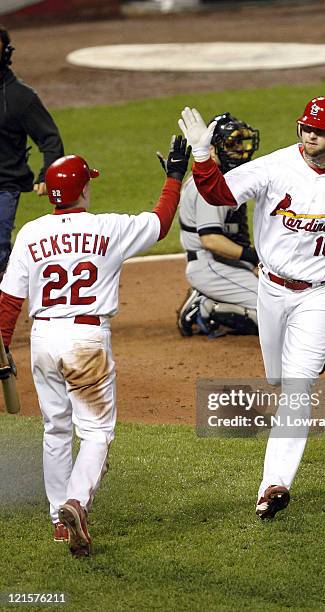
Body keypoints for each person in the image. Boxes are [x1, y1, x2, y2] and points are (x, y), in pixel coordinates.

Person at [178, 99, 325, 519]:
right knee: (279, 381)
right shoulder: (274, 167)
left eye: (319, 129)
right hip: (270, 289)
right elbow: (217, 192)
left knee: (298, 391)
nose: (310, 134)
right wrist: (202, 155)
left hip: (319, 295)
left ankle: (273, 485)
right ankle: (300, 372)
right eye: (305, 127)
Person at [0, 135, 191, 556]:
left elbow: (10, 301)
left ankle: (58, 522)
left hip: (43, 340)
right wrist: (175, 176)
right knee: (98, 433)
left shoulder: (31, 233)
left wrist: (1, 347)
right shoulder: (107, 227)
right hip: (85, 341)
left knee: (56, 428)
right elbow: (160, 222)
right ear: (83, 189)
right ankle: (77, 502)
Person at [176, 112, 259, 338]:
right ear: (212, 149)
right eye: (231, 145)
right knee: (275, 311)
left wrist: (250, 265)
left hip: (224, 262)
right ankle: (204, 307)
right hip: (210, 265)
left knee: (280, 297)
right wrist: (254, 258)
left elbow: (234, 234)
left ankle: (211, 298)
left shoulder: (220, 177)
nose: (240, 151)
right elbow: (211, 240)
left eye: (239, 144)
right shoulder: (208, 187)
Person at [0, 25, 64, 280]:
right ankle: (22, 275)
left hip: (4, 184)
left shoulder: (21, 97)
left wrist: (46, 173)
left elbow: (49, 138)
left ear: (6, 52)